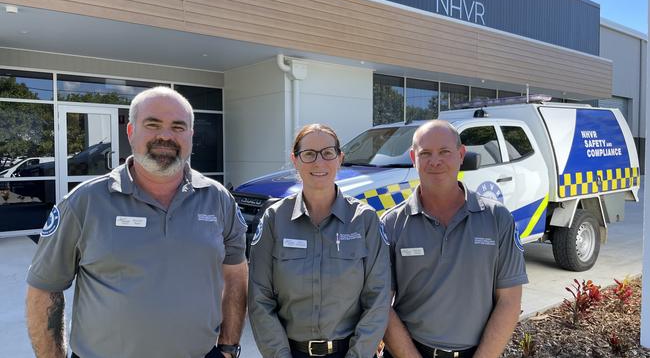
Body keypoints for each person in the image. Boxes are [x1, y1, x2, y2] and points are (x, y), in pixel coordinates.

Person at [25, 86, 248, 358]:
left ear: (191, 135)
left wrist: (228, 345)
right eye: (152, 124)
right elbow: (44, 289)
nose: (165, 135)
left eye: (178, 127)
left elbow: (236, 274)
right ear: (131, 132)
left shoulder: (218, 200)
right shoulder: (84, 202)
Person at [382, 120, 528, 358]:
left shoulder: (497, 218)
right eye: (425, 153)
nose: (435, 161)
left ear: (461, 155)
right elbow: (380, 305)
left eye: (445, 152)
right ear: (413, 158)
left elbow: (509, 301)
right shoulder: (392, 224)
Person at [248, 124, 391, 358]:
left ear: (340, 158)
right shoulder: (275, 219)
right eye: (309, 154)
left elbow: (378, 298)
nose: (319, 162)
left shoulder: (364, 220)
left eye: (327, 153)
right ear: (295, 160)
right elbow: (259, 298)